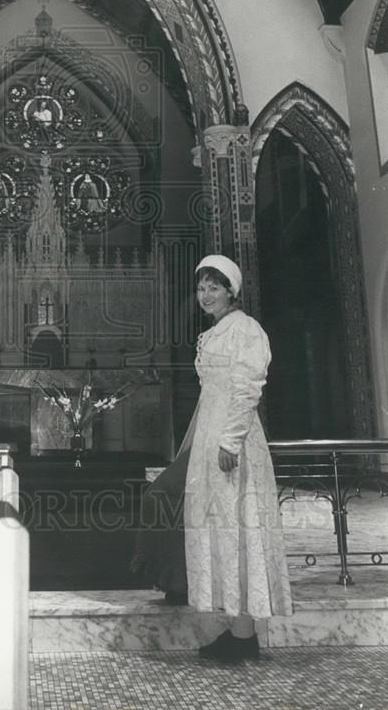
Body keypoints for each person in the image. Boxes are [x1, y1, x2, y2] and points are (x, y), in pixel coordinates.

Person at [132, 254, 292, 663]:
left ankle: (243, 634)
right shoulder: (213, 333)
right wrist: (197, 446)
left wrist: (230, 442)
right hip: (209, 441)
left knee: (238, 529)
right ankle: (239, 630)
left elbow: (248, 388)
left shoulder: (246, 330)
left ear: (231, 291)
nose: (205, 295)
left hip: (231, 445)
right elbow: (209, 396)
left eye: (214, 287)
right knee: (221, 531)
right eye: (201, 288)